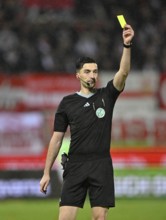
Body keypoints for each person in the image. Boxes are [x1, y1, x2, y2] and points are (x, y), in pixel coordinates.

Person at [40, 24, 134, 220]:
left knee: (100, 217)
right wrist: (46, 172)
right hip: (75, 164)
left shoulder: (106, 95)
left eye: (95, 71)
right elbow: (56, 139)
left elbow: (123, 73)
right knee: (65, 218)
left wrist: (127, 45)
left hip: (101, 164)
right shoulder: (67, 103)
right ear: (78, 75)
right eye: (88, 71)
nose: (92, 75)